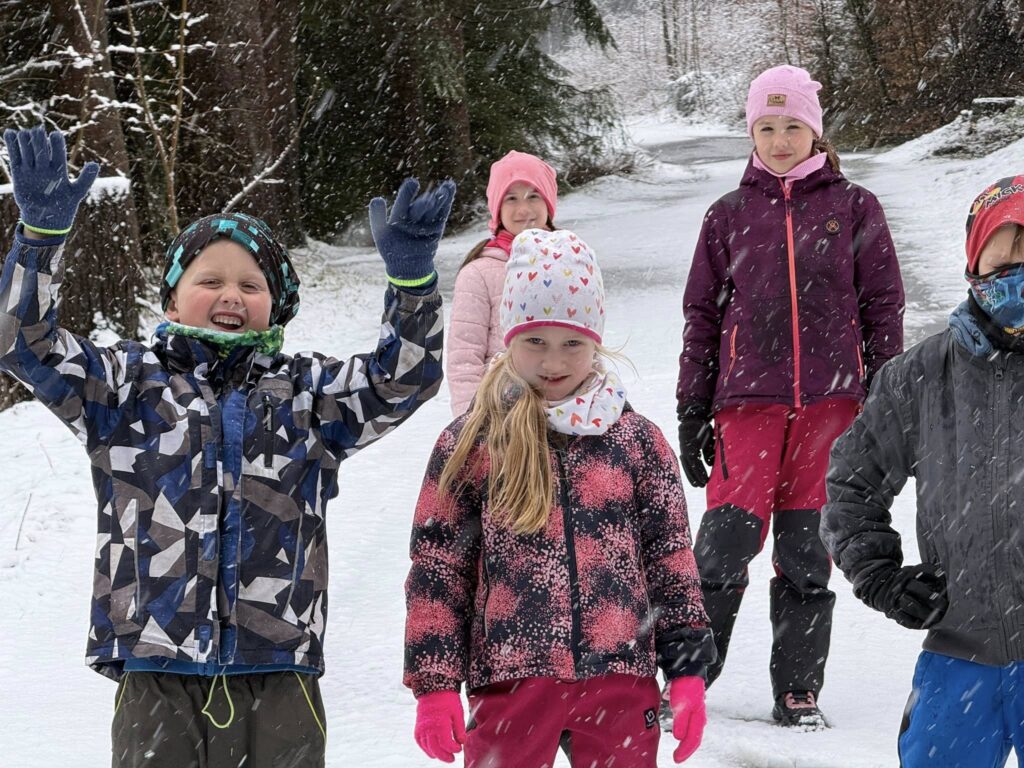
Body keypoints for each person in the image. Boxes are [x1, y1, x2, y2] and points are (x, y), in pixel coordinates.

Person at [0, 125, 453, 767]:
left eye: (252, 285)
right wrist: (39, 240)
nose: (231, 295)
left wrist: (412, 289)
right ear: (173, 297)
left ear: (277, 305)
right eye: (210, 280)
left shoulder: (310, 397)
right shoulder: (124, 389)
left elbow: (405, 377)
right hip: (156, 663)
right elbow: (24, 342)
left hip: (279, 666)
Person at [405, 228, 716, 767]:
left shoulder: (636, 441)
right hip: (512, 680)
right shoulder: (473, 441)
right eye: (535, 341)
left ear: (595, 340)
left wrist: (686, 670)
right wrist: (434, 685)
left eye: (571, 341)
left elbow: (671, 559)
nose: (554, 360)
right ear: (509, 340)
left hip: (621, 680)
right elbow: (438, 567)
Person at [675, 64, 904, 728]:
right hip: (745, 407)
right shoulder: (728, 216)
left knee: (808, 554)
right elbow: (702, 317)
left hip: (832, 411)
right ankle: (686, 678)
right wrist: (694, 404)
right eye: (767, 127)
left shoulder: (854, 208)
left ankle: (798, 689)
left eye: (792, 126)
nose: (779, 140)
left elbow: (883, 307)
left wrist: (884, 398)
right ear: (752, 132)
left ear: (816, 132)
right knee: (721, 549)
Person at [822, 177, 1024, 767]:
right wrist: (880, 577)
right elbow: (850, 485)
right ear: (974, 259)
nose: (1017, 268)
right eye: (1004, 253)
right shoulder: (921, 377)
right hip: (959, 651)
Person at [447, 150, 557, 416]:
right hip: (502, 419)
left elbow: (587, 346)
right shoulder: (479, 273)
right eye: (511, 198)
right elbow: (464, 359)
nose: (523, 209)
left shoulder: (568, 263)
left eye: (533, 195)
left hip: (563, 416)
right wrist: (471, 425)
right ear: (497, 208)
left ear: (549, 202)